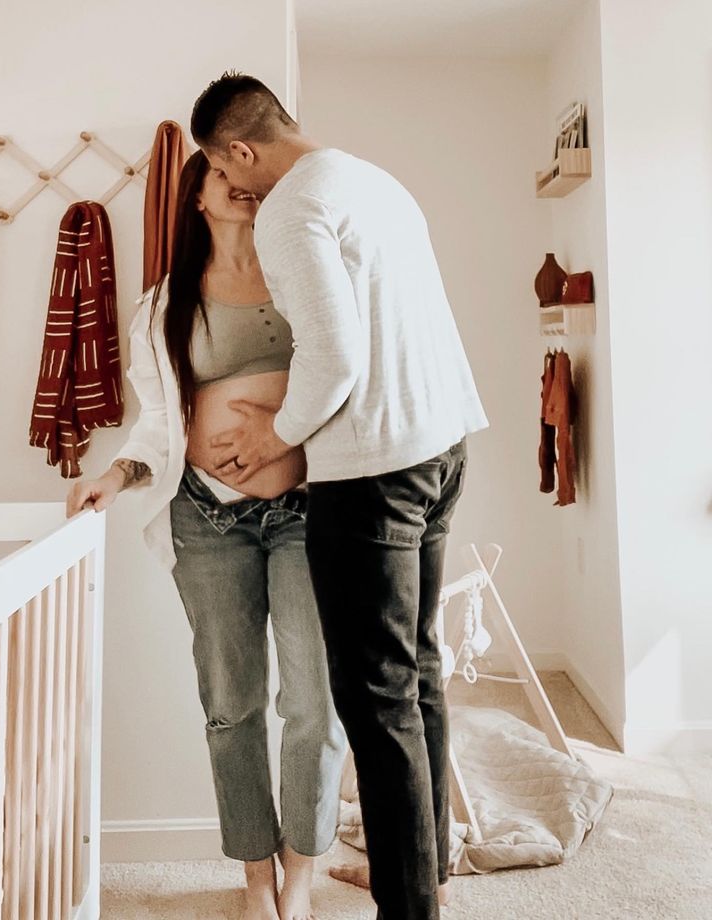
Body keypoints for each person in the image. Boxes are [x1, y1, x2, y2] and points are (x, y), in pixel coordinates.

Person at [189, 73, 489, 920]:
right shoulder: (373, 180)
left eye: (221, 165)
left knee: (377, 701)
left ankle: (409, 905)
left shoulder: (290, 207)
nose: (231, 184)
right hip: (442, 448)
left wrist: (270, 434)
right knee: (418, 675)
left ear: (240, 149)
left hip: (375, 475)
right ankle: (426, 875)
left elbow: (333, 357)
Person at [66, 149, 346, 920]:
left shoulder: (303, 277)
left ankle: (302, 868)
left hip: (305, 512)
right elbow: (157, 422)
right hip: (208, 515)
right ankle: (255, 874)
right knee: (232, 702)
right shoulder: (164, 305)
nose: (241, 185)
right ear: (197, 195)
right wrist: (113, 477)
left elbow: (338, 381)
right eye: (223, 175)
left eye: (248, 175)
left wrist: (282, 442)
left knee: (315, 704)